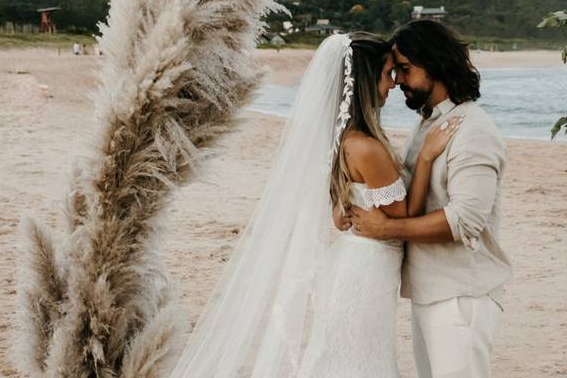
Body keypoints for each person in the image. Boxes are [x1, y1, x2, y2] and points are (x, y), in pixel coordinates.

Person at [169, 32, 459, 378]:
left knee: (343, 358)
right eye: (386, 75)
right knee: (359, 363)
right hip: (364, 272)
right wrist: (426, 156)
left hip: (354, 263)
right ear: (365, 81)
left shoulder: (342, 138)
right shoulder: (366, 148)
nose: (393, 84)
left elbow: (339, 217)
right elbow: (406, 216)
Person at [348, 19, 512, 378]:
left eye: (405, 69)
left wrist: (384, 229)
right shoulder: (427, 124)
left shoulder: (472, 132)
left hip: (460, 295)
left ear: (435, 64)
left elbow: (465, 220)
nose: (397, 80)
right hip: (429, 289)